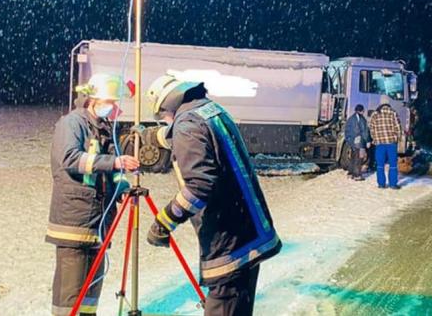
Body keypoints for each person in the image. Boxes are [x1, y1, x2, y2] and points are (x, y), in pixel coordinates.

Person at [144, 75, 281, 316]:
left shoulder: (187, 125)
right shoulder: (210, 110)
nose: (165, 121)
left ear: (169, 106)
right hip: (249, 233)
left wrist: (164, 222)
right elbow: (193, 137)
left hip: (229, 242)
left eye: (163, 116)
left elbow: (199, 186)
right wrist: (149, 136)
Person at [46, 73, 140, 316]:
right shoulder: (72, 123)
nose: (114, 108)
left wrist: (121, 186)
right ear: (93, 99)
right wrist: (114, 162)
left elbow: (109, 170)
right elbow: (70, 159)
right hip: (75, 222)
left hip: (98, 222)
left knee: (89, 295)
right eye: (111, 102)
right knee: (70, 297)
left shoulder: (102, 128)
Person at [369, 103, 402, 189]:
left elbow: (371, 129)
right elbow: (398, 128)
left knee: (380, 165)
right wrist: (396, 138)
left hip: (380, 144)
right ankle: (393, 184)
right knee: (393, 164)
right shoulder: (393, 113)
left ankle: (381, 184)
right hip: (391, 143)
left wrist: (375, 138)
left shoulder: (375, 114)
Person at [344, 104, 371, 181]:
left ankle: (350, 172)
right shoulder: (362, 119)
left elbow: (347, 131)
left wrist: (349, 141)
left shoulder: (351, 118)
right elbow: (364, 131)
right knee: (359, 158)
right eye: (363, 110)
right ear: (361, 111)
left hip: (352, 142)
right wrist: (368, 140)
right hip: (360, 142)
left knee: (353, 157)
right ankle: (357, 175)